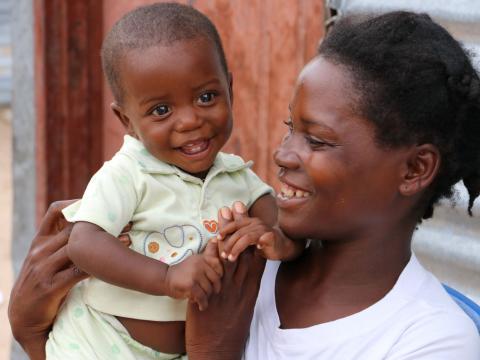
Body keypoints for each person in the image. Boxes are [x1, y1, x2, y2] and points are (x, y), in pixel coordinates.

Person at [9, 10, 480, 360]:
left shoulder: (429, 340)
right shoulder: (239, 259)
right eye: (290, 126)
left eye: (316, 140)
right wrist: (32, 334)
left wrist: (213, 347)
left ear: (414, 170)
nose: (282, 154)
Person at [41, 3, 302, 359]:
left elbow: (289, 233)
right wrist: (166, 277)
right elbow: (84, 243)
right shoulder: (127, 174)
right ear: (127, 120)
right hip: (101, 341)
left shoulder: (240, 178)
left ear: (230, 89)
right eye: (161, 110)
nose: (190, 121)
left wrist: (277, 241)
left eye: (206, 97)